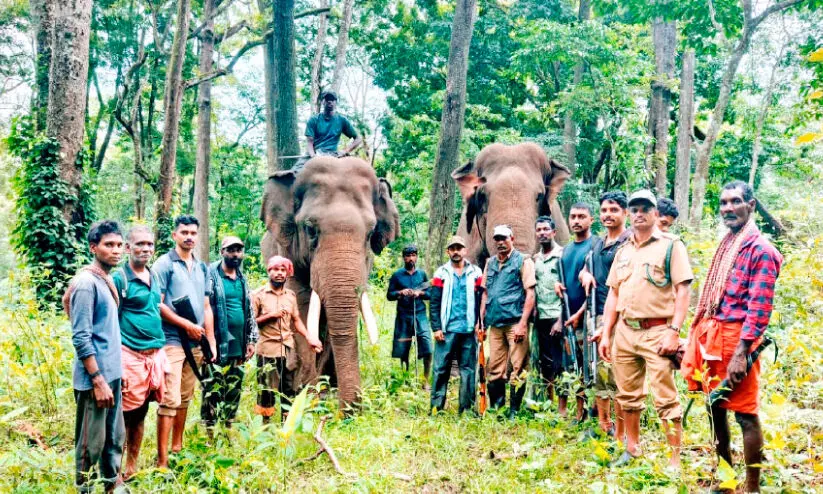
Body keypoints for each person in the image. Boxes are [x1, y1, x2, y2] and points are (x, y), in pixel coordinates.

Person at [681, 181, 782, 493]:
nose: (727, 208)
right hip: (714, 333)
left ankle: (752, 488)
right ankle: (726, 480)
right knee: (714, 406)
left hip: (737, 339)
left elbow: (759, 306)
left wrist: (742, 353)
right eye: (723, 203)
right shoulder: (728, 243)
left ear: (751, 206)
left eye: (735, 201)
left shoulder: (761, 250)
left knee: (745, 414)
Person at [599, 190, 693, 468]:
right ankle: (632, 448)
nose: (639, 214)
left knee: (665, 397)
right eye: (634, 209)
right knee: (627, 395)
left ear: (655, 213)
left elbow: (683, 290)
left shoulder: (671, 245)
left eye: (645, 209)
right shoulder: (624, 250)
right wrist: (606, 333)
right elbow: (613, 294)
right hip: (626, 332)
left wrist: (674, 332)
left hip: (658, 331)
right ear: (629, 214)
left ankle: (674, 460)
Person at [65, 220, 126, 492]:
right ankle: (85, 489)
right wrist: (98, 380)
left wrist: (116, 375)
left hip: (112, 375)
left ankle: (111, 485)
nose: (116, 250)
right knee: (91, 443)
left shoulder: (107, 280)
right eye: (109, 245)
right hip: (95, 380)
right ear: (94, 247)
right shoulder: (86, 283)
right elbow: (81, 336)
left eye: (119, 245)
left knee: (114, 438)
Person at [153, 215, 215, 468]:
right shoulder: (164, 264)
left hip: (196, 343)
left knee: (186, 397)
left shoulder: (201, 267)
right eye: (184, 232)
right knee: (170, 399)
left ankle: (177, 447)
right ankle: (162, 459)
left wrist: (209, 338)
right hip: (172, 340)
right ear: (174, 235)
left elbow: (206, 305)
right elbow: (157, 304)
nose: (189, 236)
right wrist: (185, 324)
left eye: (193, 232)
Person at [112, 226, 168, 480]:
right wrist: (117, 364)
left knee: (142, 411)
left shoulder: (153, 275)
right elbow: (110, 322)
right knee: (124, 415)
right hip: (129, 354)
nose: (146, 249)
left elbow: (156, 309)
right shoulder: (118, 279)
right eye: (140, 244)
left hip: (153, 355)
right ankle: (116, 468)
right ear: (128, 248)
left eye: (150, 244)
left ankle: (131, 466)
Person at [581, 191, 631, 437]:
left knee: (618, 374)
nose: (607, 215)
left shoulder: (630, 241)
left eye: (613, 210)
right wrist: (585, 273)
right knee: (600, 372)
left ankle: (621, 431)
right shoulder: (599, 243)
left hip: (621, 317)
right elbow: (587, 268)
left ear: (625, 213)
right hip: (597, 313)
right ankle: (604, 425)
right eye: (604, 210)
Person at [252, 256, 323, 422]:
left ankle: (286, 424)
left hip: (287, 349)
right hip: (267, 349)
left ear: (287, 274)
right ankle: (265, 425)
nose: (279, 273)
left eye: (283, 270)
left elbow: (296, 320)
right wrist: (270, 316)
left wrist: (309, 338)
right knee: (267, 389)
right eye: (275, 269)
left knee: (289, 387)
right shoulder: (258, 295)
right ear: (269, 271)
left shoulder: (290, 296)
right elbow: (251, 323)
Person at [478, 225, 536, 418]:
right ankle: (498, 408)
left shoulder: (523, 261)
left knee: (518, 367)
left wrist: (522, 323)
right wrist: (481, 321)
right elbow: (485, 293)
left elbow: (530, 294)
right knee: (494, 367)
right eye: (497, 239)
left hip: (515, 323)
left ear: (512, 238)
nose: (500, 242)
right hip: (495, 324)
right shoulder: (490, 263)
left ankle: (514, 410)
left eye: (504, 238)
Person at [202, 236, 258, 430]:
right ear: (222, 252)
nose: (235, 254)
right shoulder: (210, 276)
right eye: (231, 250)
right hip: (217, 343)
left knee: (234, 387)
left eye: (239, 250)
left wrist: (251, 340)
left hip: (238, 344)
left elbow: (249, 309)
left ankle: (227, 430)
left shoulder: (242, 279)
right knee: (213, 387)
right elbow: (204, 307)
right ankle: (210, 432)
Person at [429, 235, 484, 413]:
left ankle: (466, 409)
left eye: (459, 248)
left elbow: (480, 300)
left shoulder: (476, 272)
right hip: (447, 330)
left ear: (465, 251)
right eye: (452, 249)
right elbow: (435, 302)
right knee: (440, 369)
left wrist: (480, 323)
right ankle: (436, 408)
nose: (456, 252)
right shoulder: (441, 273)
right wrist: (436, 327)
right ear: (448, 251)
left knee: (468, 370)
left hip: (469, 329)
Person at [556, 203, 596, 420]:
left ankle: (594, 413)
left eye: (582, 216)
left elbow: (596, 287)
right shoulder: (567, 250)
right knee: (573, 366)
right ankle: (578, 412)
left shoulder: (595, 246)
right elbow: (565, 281)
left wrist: (580, 313)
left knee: (591, 367)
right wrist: (556, 285)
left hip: (588, 317)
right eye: (572, 216)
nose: (576, 221)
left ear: (592, 220)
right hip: (569, 319)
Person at [386, 245, 433, 387]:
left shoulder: (422, 275)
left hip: (420, 315)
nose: (411, 258)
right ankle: (406, 379)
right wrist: (400, 293)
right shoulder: (397, 275)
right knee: (404, 348)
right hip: (403, 316)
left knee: (427, 347)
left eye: (413, 255)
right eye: (408, 255)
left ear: (417, 257)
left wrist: (421, 293)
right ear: (403, 257)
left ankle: (425, 380)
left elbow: (430, 294)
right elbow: (389, 295)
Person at [531, 216, 564, 402]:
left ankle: (563, 401)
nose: (542, 233)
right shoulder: (535, 259)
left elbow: (567, 289)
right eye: (539, 230)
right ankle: (548, 400)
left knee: (560, 362)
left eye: (546, 229)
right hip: (541, 317)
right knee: (545, 362)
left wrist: (561, 319)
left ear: (554, 232)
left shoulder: (562, 255)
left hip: (557, 316)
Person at [305, 92, 362, 159]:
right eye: (327, 99)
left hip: (333, 154)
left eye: (332, 99)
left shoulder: (342, 120)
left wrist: (345, 151)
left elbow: (358, 138)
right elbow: (309, 142)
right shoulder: (313, 120)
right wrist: (313, 156)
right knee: (298, 169)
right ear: (322, 101)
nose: (329, 101)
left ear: (336, 102)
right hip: (315, 153)